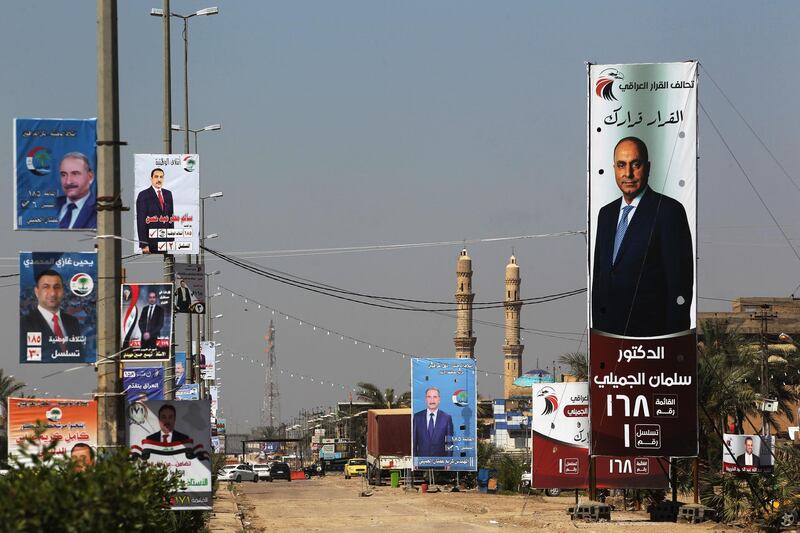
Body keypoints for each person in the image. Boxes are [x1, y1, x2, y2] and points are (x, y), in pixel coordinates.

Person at [591, 136, 693, 337]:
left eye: (635, 165)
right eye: (621, 165)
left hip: (653, 345)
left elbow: (679, 283)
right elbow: (600, 281)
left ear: (647, 167)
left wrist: (671, 342)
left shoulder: (667, 211)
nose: (628, 173)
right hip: (610, 342)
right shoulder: (606, 215)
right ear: (614, 168)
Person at [20, 269, 83, 361]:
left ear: (63, 291)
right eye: (46, 287)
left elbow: (80, 357)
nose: (53, 293)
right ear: (37, 292)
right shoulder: (24, 324)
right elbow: (28, 361)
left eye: (57, 287)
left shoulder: (72, 322)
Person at [135, 167, 173, 254]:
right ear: (151, 178)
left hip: (165, 242)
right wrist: (144, 244)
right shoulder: (144, 195)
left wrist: (171, 239)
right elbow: (141, 221)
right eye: (156, 176)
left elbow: (171, 217)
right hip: (151, 243)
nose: (159, 179)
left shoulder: (168, 194)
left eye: (161, 177)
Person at [56, 152, 96, 229]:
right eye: (63, 175)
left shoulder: (101, 211)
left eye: (75, 174)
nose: (68, 181)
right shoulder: (51, 204)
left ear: (90, 177)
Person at [413, 386, 454, 457]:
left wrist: (448, 461)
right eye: (429, 397)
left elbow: (449, 443)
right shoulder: (417, 417)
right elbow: (413, 441)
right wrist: (414, 460)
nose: (432, 400)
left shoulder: (447, 418)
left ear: (439, 399)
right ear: (426, 399)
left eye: (435, 397)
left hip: (440, 462)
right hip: (421, 463)